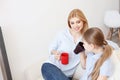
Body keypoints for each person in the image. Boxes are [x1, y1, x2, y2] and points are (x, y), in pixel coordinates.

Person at [41, 9, 88, 80]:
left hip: (67, 75)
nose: (75, 25)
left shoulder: (86, 39)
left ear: (83, 21)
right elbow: (51, 48)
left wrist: (82, 52)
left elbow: (84, 66)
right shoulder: (62, 34)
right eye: (72, 23)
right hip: (51, 66)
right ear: (69, 24)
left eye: (78, 22)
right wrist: (56, 53)